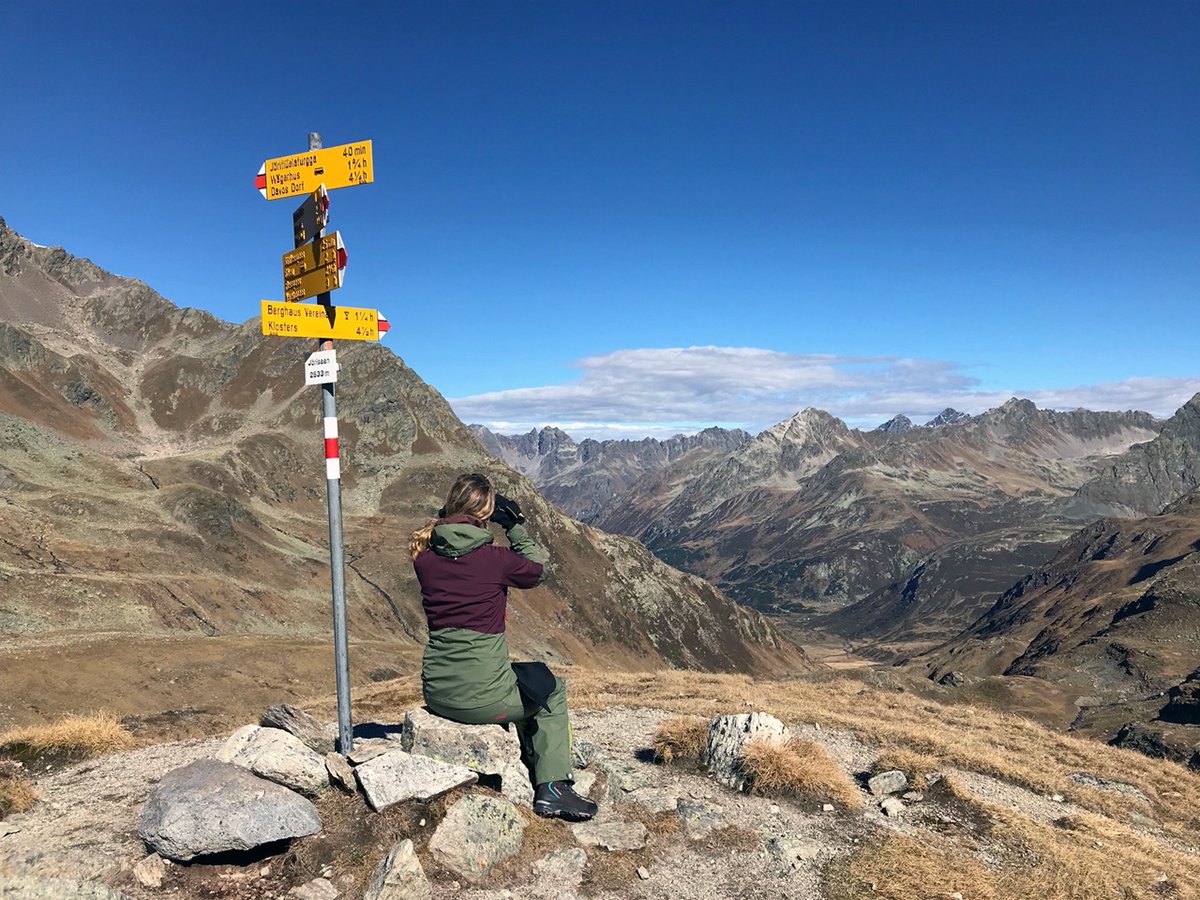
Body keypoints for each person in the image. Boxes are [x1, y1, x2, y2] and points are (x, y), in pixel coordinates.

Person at [409, 472, 597, 822]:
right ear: (486, 513)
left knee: (528, 677)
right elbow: (537, 568)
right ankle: (553, 788)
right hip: (484, 701)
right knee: (551, 691)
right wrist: (513, 526)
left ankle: (532, 763)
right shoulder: (495, 560)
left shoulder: (425, 559)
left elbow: (443, 541)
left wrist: (450, 518)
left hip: (437, 692)